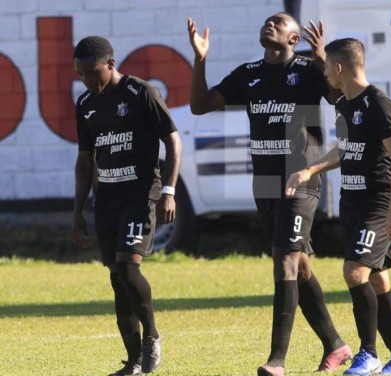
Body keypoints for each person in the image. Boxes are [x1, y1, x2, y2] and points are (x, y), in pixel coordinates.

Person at [187, 12, 351, 376]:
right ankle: (337, 345)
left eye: (279, 22)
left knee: (285, 262)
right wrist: (200, 60)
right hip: (264, 182)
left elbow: (342, 98)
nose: (270, 24)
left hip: (301, 179)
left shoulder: (309, 70)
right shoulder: (248, 74)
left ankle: (277, 361)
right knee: (300, 266)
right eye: (268, 22)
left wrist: (323, 58)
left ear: (294, 39)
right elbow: (199, 105)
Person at [285, 38, 391, 375]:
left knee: (354, 272)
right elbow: (346, 149)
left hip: (378, 203)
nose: (324, 71)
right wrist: (310, 169)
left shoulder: (378, 103)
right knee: (378, 282)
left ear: (340, 68)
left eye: (327, 66)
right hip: (352, 204)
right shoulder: (344, 104)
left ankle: (368, 354)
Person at [72, 36, 182, 376]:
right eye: (81, 74)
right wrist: (77, 213)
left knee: (129, 267)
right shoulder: (86, 103)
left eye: (92, 72)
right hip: (107, 198)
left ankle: (152, 336)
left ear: (110, 63)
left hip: (140, 195)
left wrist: (169, 190)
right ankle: (133, 360)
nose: (88, 80)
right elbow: (85, 161)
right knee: (117, 276)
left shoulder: (141, 93)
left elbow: (173, 141)